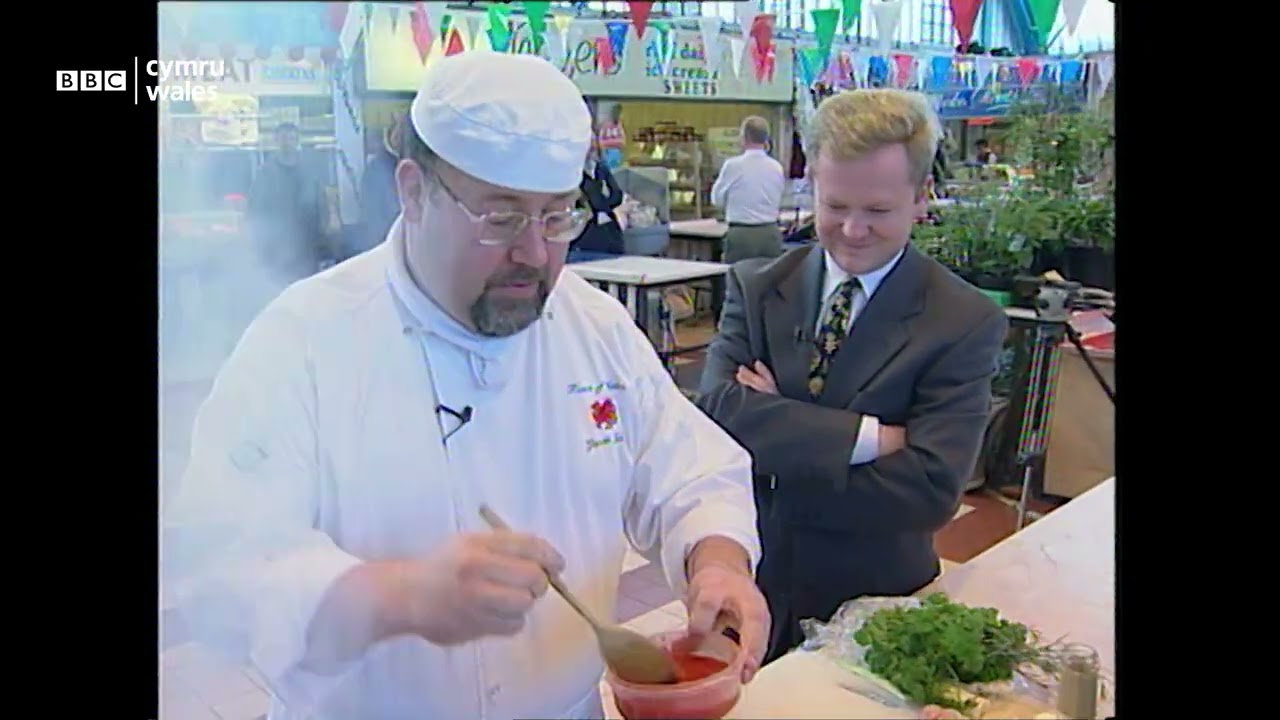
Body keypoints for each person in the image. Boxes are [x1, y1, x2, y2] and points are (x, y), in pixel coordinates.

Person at [165, 50, 769, 720]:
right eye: (501, 218)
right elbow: (221, 567)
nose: (536, 255)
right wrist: (400, 596)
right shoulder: (304, 340)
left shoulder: (592, 323)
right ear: (413, 191)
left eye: (556, 217)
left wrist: (719, 567)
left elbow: (689, 471)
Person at [694, 88, 1007, 665]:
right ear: (811, 182)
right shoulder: (757, 286)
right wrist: (870, 439)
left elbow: (929, 490)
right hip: (752, 595)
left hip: (879, 615)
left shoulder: (962, 320)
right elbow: (714, 411)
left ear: (920, 198)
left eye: (878, 211)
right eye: (835, 205)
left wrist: (776, 446)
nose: (853, 230)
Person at [247, 122, 325, 281]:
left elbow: (322, 205)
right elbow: (254, 211)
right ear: (276, 141)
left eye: (291, 138)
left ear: (297, 141)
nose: (287, 142)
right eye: (283, 138)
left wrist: (324, 238)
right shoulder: (266, 174)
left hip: (307, 248)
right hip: (277, 249)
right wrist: (260, 245)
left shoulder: (311, 171)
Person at [710, 116, 786, 265]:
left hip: (742, 235)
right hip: (770, 233)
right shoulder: (777, 167)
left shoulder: (733, 166)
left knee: (739, 282)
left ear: (743, 137)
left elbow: (716, 200)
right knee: (769, 282)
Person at [567, 138, 626, 262]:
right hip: (585, 232)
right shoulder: (572, 173)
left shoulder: (601, 169)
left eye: (593, 142)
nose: (592, 146)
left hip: (608, 227)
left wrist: (603, 208)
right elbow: (581, 198)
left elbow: (617, 195)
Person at [355, 116, 404, 257]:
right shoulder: (375, 168)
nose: (401, 138)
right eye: (398, 133)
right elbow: (371, 214)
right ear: (390, 134)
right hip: (384, 245)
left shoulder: (417, 163)